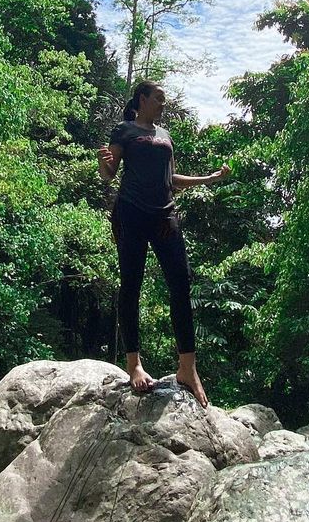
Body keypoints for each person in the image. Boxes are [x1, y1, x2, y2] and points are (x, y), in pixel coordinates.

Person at [97, 80, 228, 408]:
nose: (163, 104)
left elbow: (170, 178)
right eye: (158, 99)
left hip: (164, 217)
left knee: (181, 284)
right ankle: (134, 365)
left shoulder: (165, 135)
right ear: (142, 99)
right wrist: (103, 163)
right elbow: (109, 174)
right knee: (131, 286)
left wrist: (208, 179)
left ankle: (187, 368)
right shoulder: (124, 130)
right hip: (131, 215)